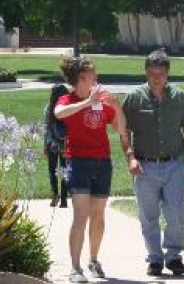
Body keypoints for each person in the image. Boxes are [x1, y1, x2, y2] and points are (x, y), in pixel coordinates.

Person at [119, 50, 184, 277]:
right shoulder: (134, 98)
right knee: (148, 215)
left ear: (168, 73)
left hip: (174, 164)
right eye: (152, 73)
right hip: (145, 166)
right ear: (146, 72)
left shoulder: (179, 97)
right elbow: (125, 133)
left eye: (161, 73)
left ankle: (173, 256)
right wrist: (131, 158)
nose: (156, 78)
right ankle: (155, 258)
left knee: (175, 212)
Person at [54, 56, 125, 284]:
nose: (97, 77)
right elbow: (59, 113)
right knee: (81, 214)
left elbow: (121, 130)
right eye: (93, 74)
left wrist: (116, 107)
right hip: (79, 162)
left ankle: (93, 261)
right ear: (82, 78)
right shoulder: (68, 99)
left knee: (98, 215)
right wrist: (87, 102)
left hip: (102, 162)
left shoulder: (103, 100)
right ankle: (75, 268)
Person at [42, 83, 70, 208]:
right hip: (65, 144)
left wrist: (45, 145)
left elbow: (46, 128)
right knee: (65, 170)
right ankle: (64, 198)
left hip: (51, 144)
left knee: (52, 170)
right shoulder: (68, 108)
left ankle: (55, 195)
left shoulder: (48, 108)